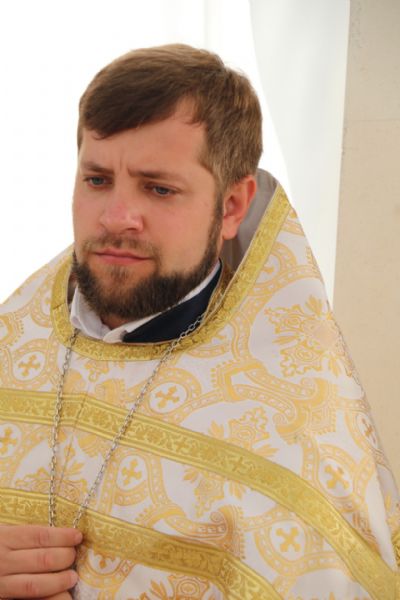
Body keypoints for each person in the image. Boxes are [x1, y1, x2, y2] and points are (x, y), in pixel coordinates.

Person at [0, 44, 399, 600]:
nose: (116, 218)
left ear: (232, 206)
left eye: (158, 188)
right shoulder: (11, 345)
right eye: (97, 180)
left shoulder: (295, 436)